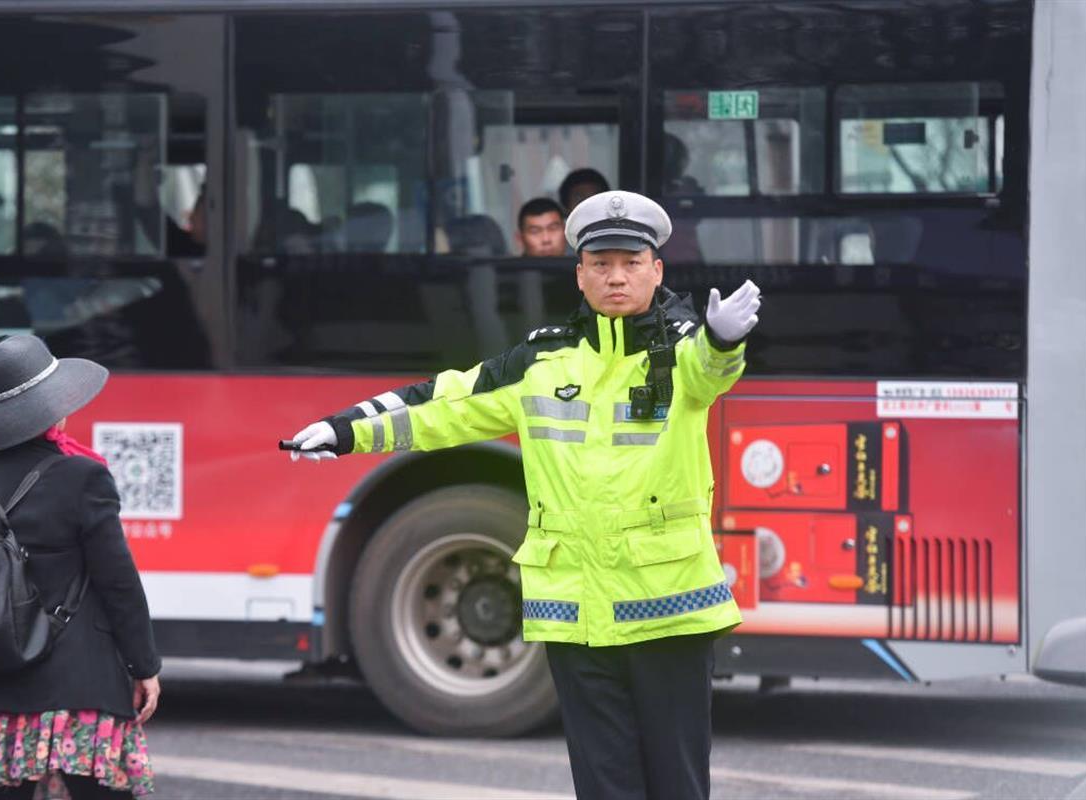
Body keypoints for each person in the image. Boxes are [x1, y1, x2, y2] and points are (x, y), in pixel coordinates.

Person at [286, 190, 762, 800]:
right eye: (601, 264)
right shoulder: (540, 362)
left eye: (632, 263)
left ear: (656, 270)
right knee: (603, 787)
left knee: (677, 785)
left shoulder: (683, 352)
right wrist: (345, 429)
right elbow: (445, 403)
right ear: (580, 275)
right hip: (576, 618)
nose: (617, 277)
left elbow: (711, 372)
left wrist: (722, 342)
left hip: (668, 613)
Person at [0, 335, 162, 800]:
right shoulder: (82, 477)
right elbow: (117, 582)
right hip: (74, 687)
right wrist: (143, 665)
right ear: (53, 410)